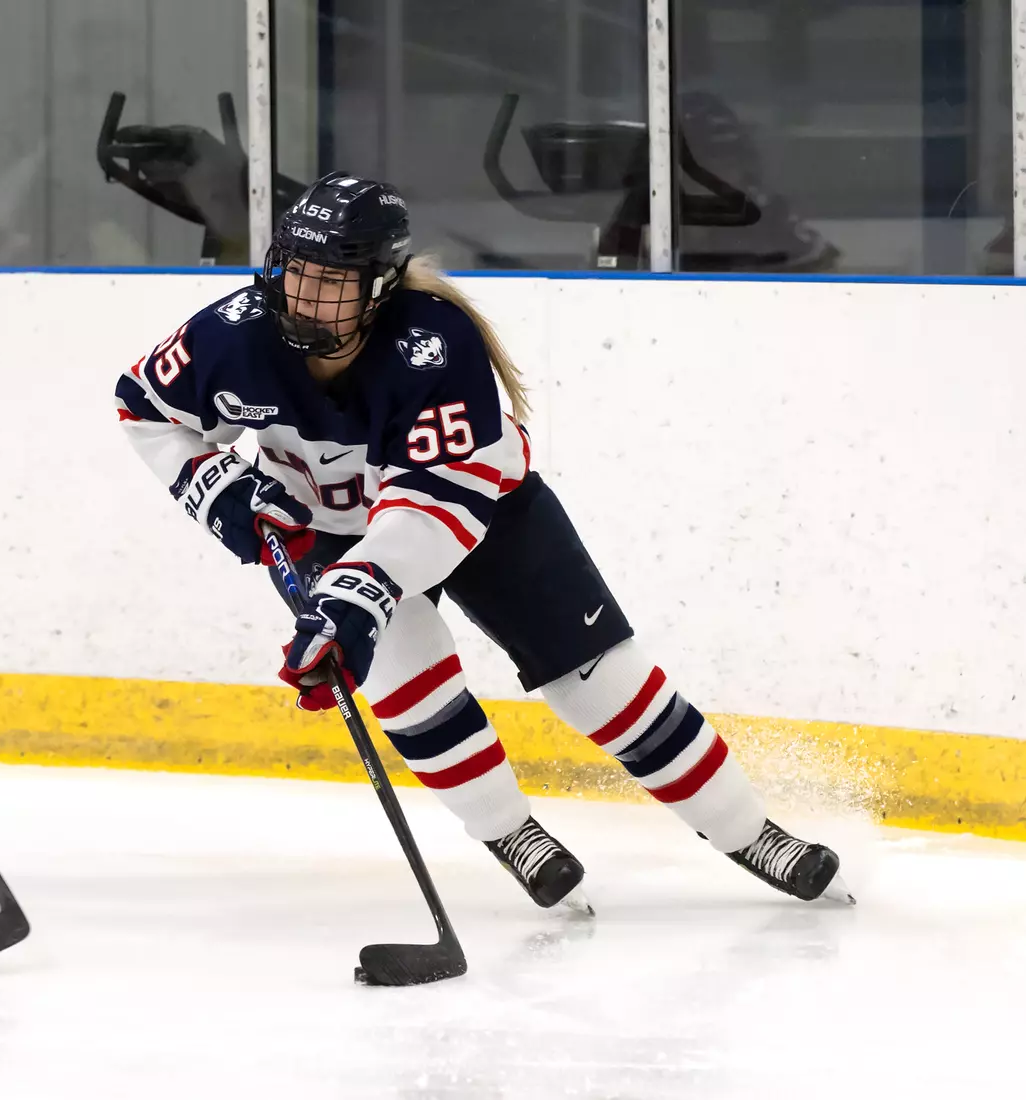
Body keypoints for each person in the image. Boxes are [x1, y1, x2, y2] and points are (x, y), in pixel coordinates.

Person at [114, 172, 852, 911]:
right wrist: (223, 492)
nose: (307, 297)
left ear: (380, 287)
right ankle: (511, 833)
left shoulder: (434, 345)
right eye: (297, 272)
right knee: (408, 680)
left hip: (479, 510)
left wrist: (358, 588)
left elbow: (437, 505)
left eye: (334, 282)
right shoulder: (229, 336)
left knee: (599, 679)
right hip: (324, 530)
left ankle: (749, 832)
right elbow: (144, 408)